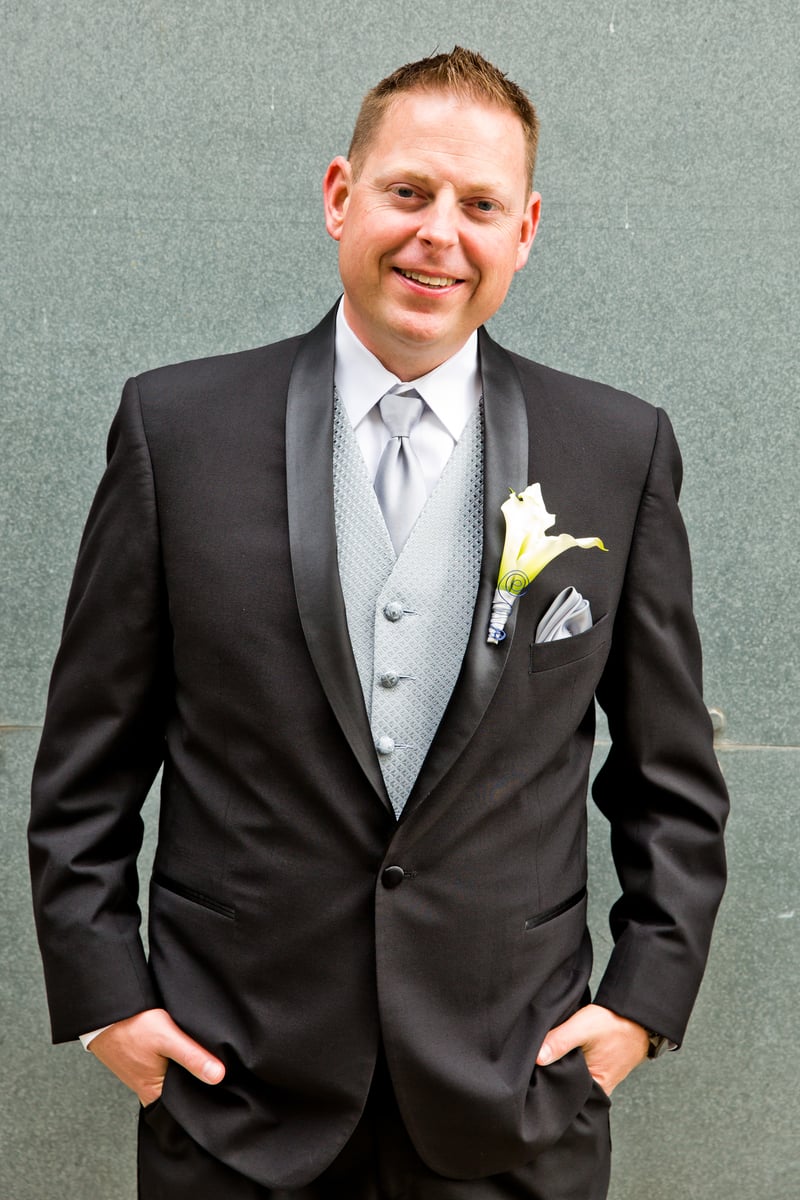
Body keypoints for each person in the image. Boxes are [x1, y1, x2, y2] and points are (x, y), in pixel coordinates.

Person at [29, 47, 728, 1200]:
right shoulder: (176, 432)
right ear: (339, 195)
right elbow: (84, 768)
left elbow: (670, 779)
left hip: (516, 1098)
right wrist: (109, 1003)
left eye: (478, 206)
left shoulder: (615, 450)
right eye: (408, 191)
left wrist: (637, 1009)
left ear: (524, 230)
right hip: (231, 1093)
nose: (437, 235)